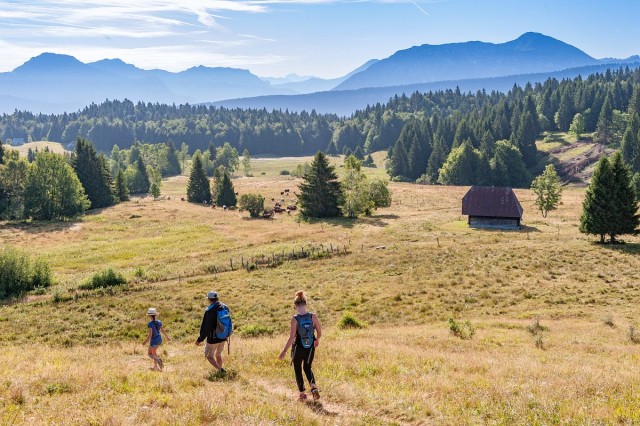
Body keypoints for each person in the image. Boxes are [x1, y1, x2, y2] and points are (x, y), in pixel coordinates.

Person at [278, 290, 323, 401]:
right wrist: (316, 339)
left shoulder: (295, 319)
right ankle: (313, 386)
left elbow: (292, 337)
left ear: (296, 306)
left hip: (298, 348)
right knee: (307, 367)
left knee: (298, 369)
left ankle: (302, 394)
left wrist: (284, 351)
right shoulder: (313, 316)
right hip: (310, 348)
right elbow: (320, 332)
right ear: (305, 304)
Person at [196, 290, 232, 374]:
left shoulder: (209, 310)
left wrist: (200, 339)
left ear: (209, 299)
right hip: (223, 336)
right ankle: (220, 371)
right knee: (218, 354)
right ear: (216, 298)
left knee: (209, 356)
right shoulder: (225, 307)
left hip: (213, 338)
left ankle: (220, 369)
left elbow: (206, 327)